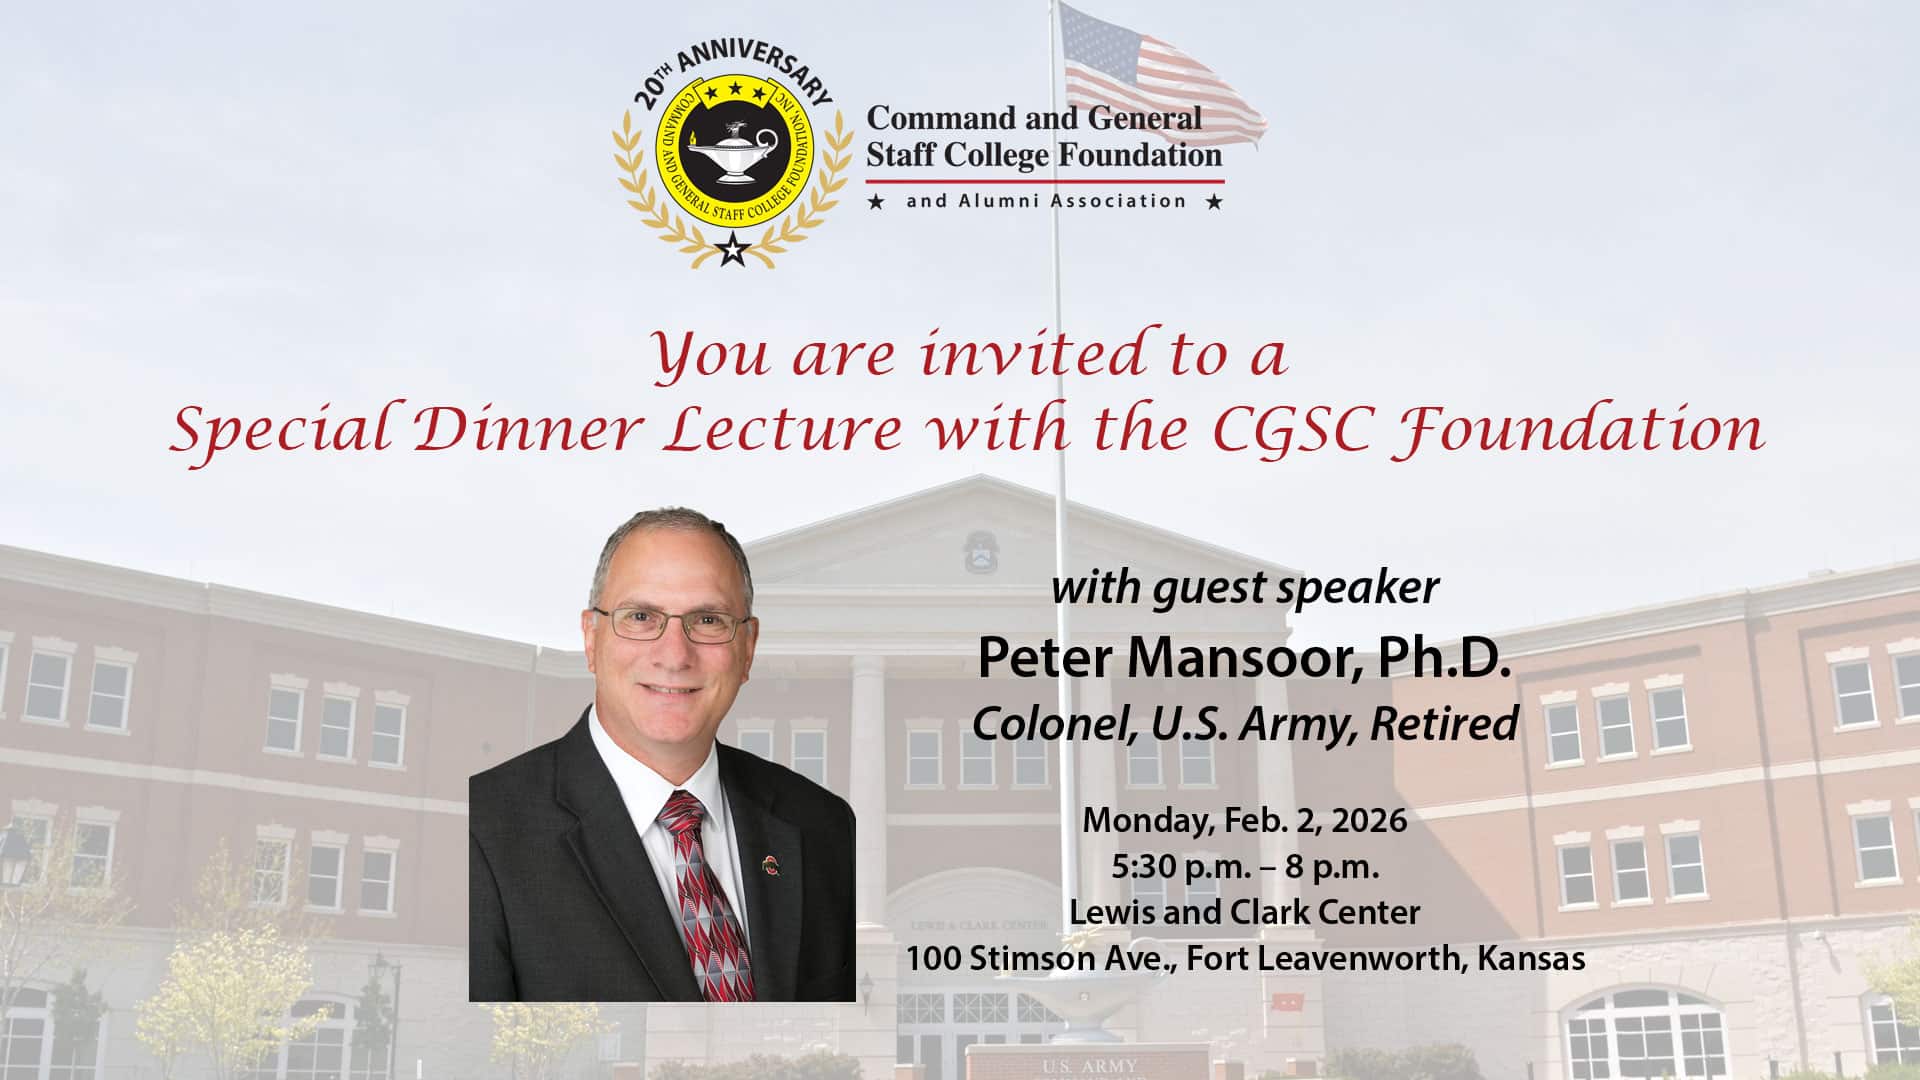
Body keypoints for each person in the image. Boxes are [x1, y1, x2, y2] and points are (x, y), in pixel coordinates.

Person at [469, 508, 855, 1002]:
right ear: (591, 638)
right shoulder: (482, 827)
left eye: (708, 620)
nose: (674, 655)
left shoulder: (824, 826)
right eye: (641, 617)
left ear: (748, 647)